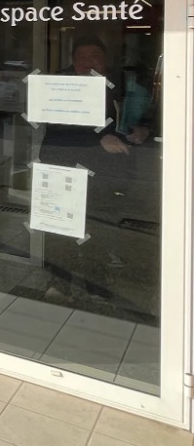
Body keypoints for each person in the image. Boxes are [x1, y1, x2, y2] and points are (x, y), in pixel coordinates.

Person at [39, 37, 158, 308]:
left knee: (99, 225)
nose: (88, 63)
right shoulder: (59, 83)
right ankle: (59, 283)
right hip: (63, 164)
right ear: (73, 61)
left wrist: (145, 129)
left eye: (95, 57)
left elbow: (144, 114)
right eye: (81, 57)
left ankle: (97, 284)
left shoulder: (121, 85)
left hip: (105, 171)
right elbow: (55, 124)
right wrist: (98, 138)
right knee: (60, 227)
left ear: (106, 61)